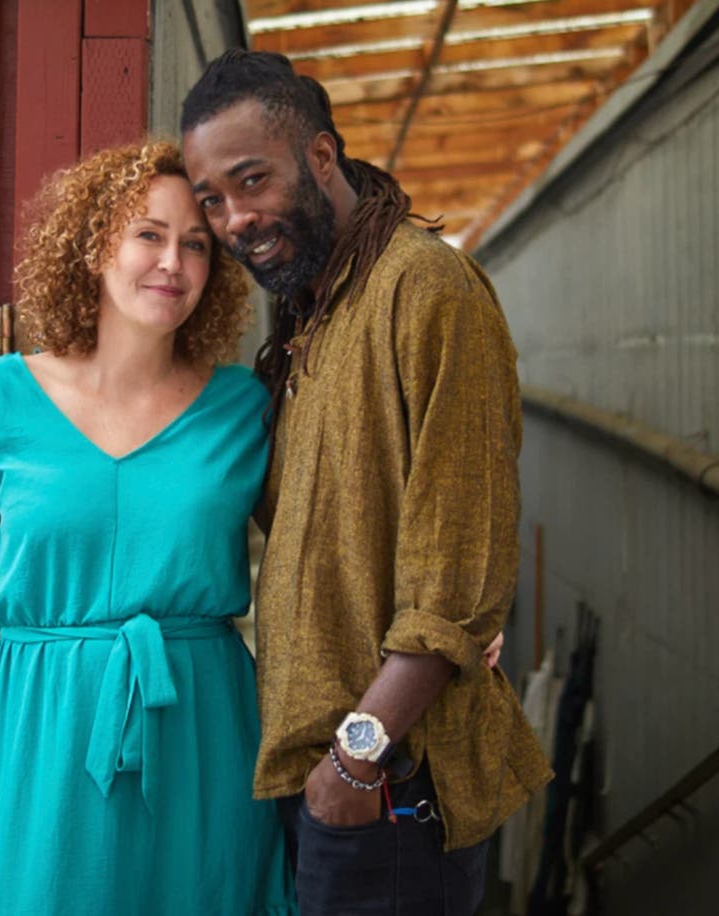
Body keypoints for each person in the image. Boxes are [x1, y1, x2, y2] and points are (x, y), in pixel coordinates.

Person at [181, 50, 553, 915]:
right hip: (321, 783)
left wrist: (354, 760)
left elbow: (457, 578)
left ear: (320, 157)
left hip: (386, 789)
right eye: (213, 200)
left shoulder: (426, 291)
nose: (237, 219)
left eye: (253, 181)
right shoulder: (316, 312)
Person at [0, 140, 297, 915]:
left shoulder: (243, 408)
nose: (174, 262)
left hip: (201, 723)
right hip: (47, 726)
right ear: (96, 245)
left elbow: (322, 539)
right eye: (149, 235)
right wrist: (67, 676)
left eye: (196, 244)